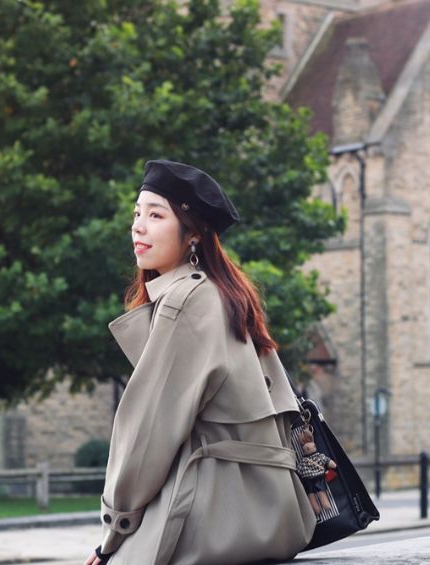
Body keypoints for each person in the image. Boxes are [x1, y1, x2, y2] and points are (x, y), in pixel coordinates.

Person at [84, 160, 316, 565]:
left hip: (208, 519)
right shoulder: (229, 294)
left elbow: (146, 432)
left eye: (156, 215)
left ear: (192, 234)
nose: (138, 226)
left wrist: (114, 531)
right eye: (137, 214)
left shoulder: (186, 300)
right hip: (271, 515)